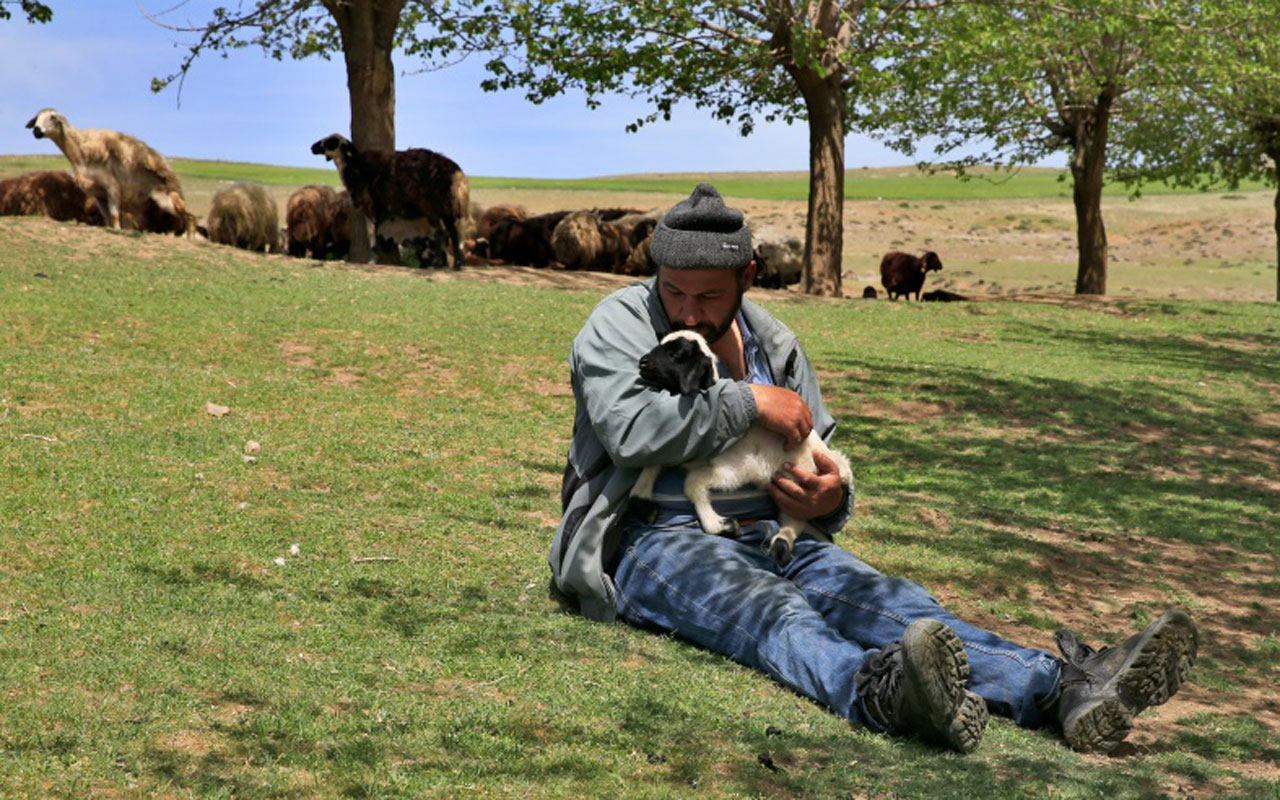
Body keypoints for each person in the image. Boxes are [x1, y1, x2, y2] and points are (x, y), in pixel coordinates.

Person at [548, 183, 1198, 753]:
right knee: (773, 614)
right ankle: (882, 695)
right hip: (654, 539)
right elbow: (629, 430)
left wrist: (829, 498)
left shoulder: (774, 340)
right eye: (674, 292)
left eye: (708, 296)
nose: (688, 312)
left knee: (896, 606)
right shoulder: (619, 324)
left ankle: (1065, 688)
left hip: (779, 535)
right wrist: (748, 398)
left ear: (748, 276)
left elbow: (821, 450)